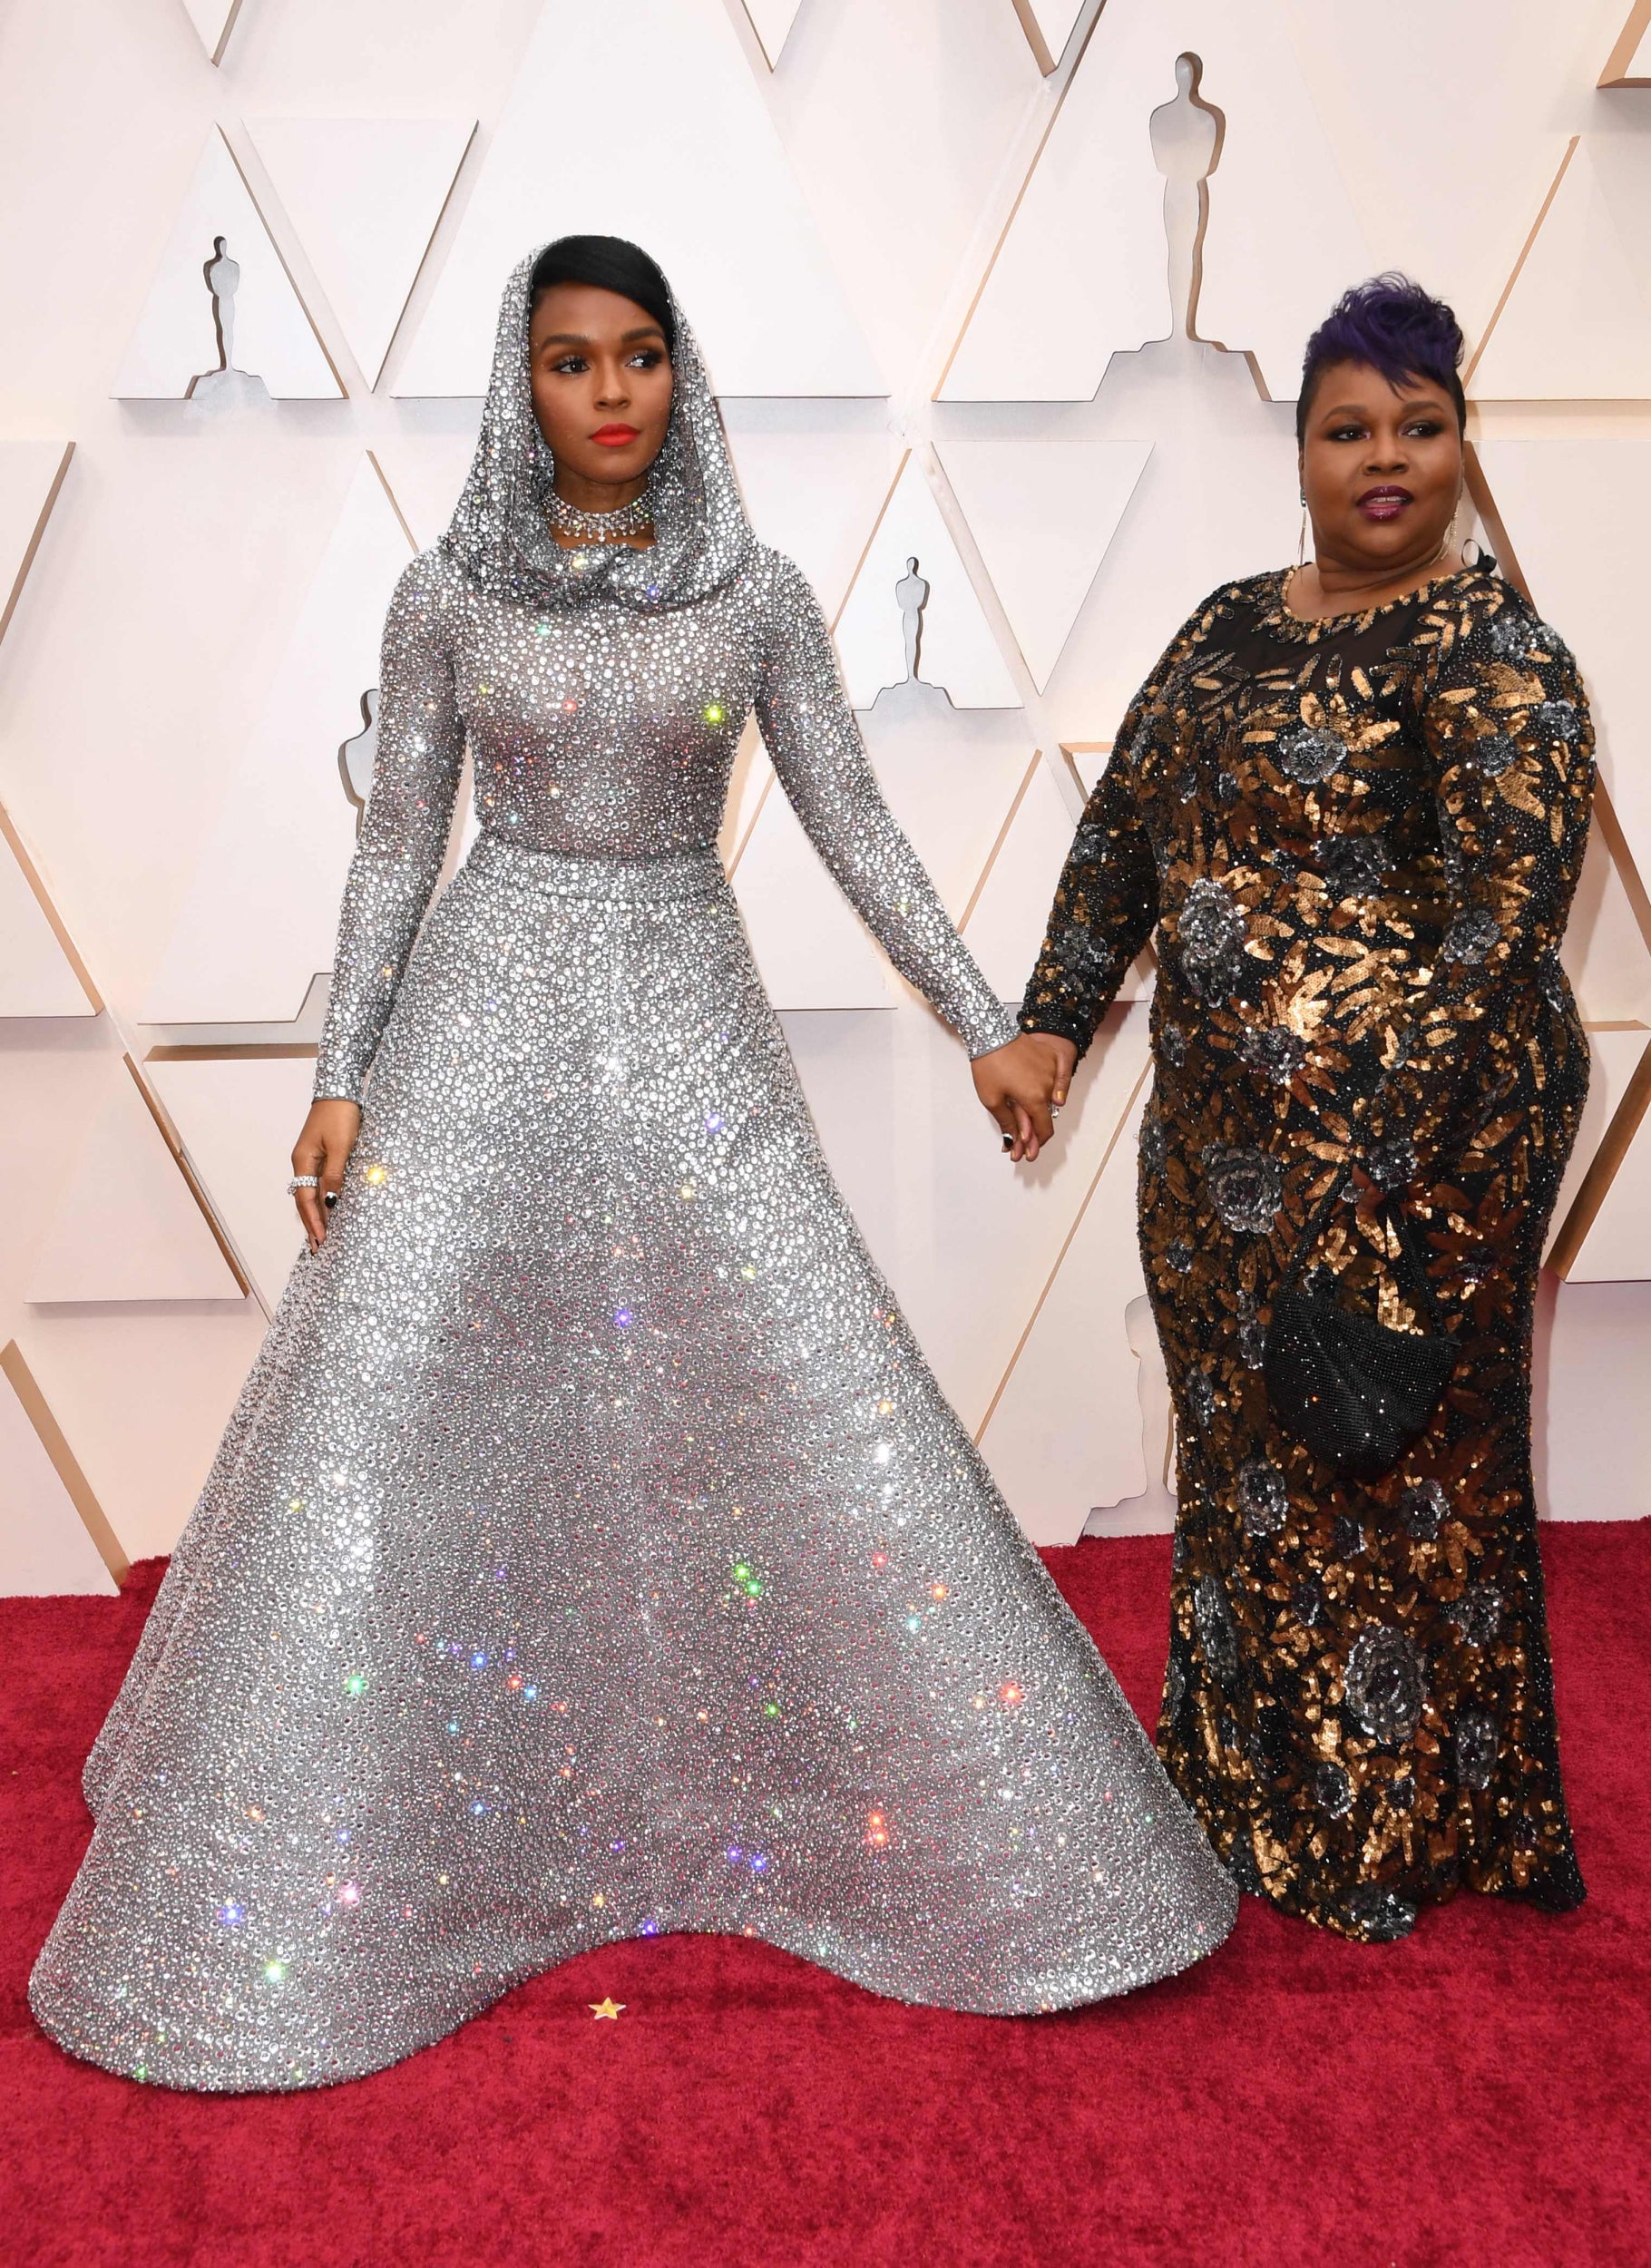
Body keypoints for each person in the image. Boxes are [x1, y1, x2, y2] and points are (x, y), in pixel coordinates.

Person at [29, 237, 1235, 2092]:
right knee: (393, 1402)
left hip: (684, 1006)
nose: (610, 392)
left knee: (802, 1371)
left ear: (684, 373)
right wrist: (342, 1075)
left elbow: (850, 817)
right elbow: (393, 844)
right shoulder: (446, 592)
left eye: (642, 356)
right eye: (572, 360)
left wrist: (984, 1018)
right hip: (480, 1017)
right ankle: (343, 1829)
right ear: (522, 383)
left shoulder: (755, 594)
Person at [986, 274, 1594, 1942]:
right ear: (1302, 451)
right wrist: (1051, 1025)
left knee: (1384, 1466)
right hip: (1217, 1146)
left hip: (1426, 1148)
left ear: (1462, 443)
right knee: (1247, 1460)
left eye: (1420, 425)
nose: (1385, 457)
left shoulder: (1499, 652)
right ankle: (1245, 1787)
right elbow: (1124, 832)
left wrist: (1374, 1163)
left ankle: (1385, 1829)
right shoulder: (1224, 627)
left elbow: (1500, 924)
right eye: (1348, 429)